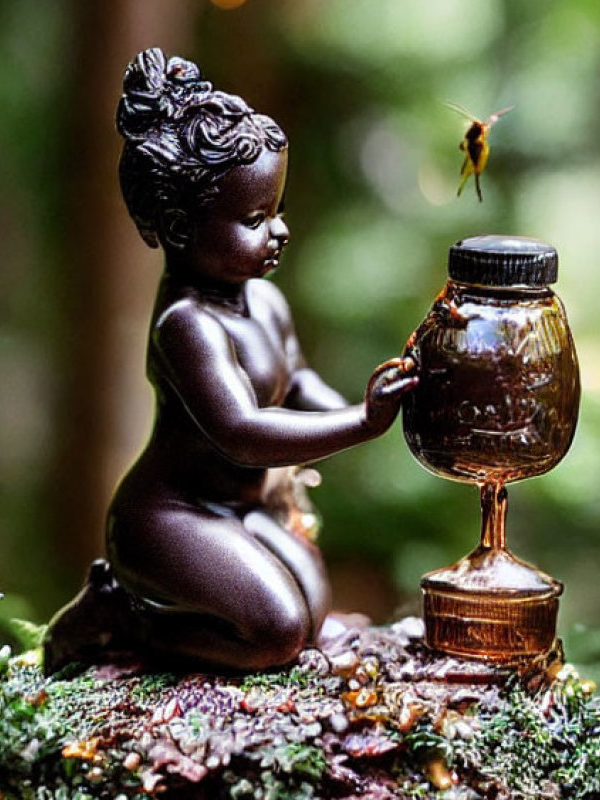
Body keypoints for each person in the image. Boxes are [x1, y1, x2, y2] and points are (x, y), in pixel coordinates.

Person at [44, 48, 416, 673]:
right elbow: (242, 433)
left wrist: (387, 406)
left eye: (277, 210)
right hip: (170, 518)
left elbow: (297, 384)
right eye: (255, 219)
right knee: (275, 634)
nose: (279, 231)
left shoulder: (264, 301)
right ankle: (125, 616)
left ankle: (173, 615)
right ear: (181, 227)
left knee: (313, 613)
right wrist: (360, 423)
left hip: (240, 511)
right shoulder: (187, 326)